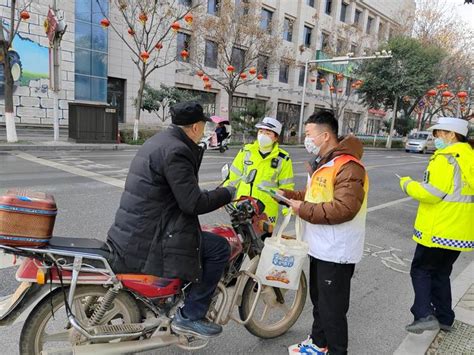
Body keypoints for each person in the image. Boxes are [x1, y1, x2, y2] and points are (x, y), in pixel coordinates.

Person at [107, 101, 236, 338]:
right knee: (218, 247)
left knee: (198, 237)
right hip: (151, 235)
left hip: (137, 226)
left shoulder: (159, 141)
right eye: (203, 127)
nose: (204, 132)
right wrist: (227, 193)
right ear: (196, 127)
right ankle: (190, 316)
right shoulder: (178, 150)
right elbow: (192, 203)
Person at [284, 111, 369, 355]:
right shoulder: (325, 163)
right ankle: (318, 344)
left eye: (309, 133)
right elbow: (314, 198)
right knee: (320, 303)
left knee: (332, 309)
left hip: (337, 251)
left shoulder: (349, 166)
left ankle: (337, 351)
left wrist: (304, 209)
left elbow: (344, 208)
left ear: (324, 135)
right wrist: (288, 196)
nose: (305, 138)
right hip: (320, 247)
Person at [399, 117, 474, 334]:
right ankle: (444, 317)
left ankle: (423, 315)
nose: (436, 138)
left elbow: (432, 193)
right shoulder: (469, 156)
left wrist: (407, 185)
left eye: (438, 133)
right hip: (460, 232)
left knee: (420, 270)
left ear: (451, 135)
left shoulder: (446, 158)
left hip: (439, 228)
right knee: (441, 272)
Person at [225, 117, 294, 225]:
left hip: (266, 210)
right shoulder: (246, 151)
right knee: (240, 238)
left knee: (263, 240)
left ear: (276, 138)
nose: (262, 135)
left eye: (268, 133)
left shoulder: (283, 158)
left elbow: (286, 187)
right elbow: (233, 177)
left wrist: (288, 210)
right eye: (261, 131)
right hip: (243, 206)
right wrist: (223, 197)